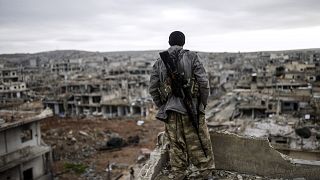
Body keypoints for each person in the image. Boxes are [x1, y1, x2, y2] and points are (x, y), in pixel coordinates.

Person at [149, 31, 215, 180]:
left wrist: (163, 105)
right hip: (191, 107)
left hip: (171, 110)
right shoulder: (192, 57)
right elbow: (204, 83)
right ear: (184, 42)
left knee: (175, 144)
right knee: (197, 141)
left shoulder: (159, 62)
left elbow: (152, 89)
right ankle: (205, 173)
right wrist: (202, 104)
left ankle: (179, 174)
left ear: (169, 42)